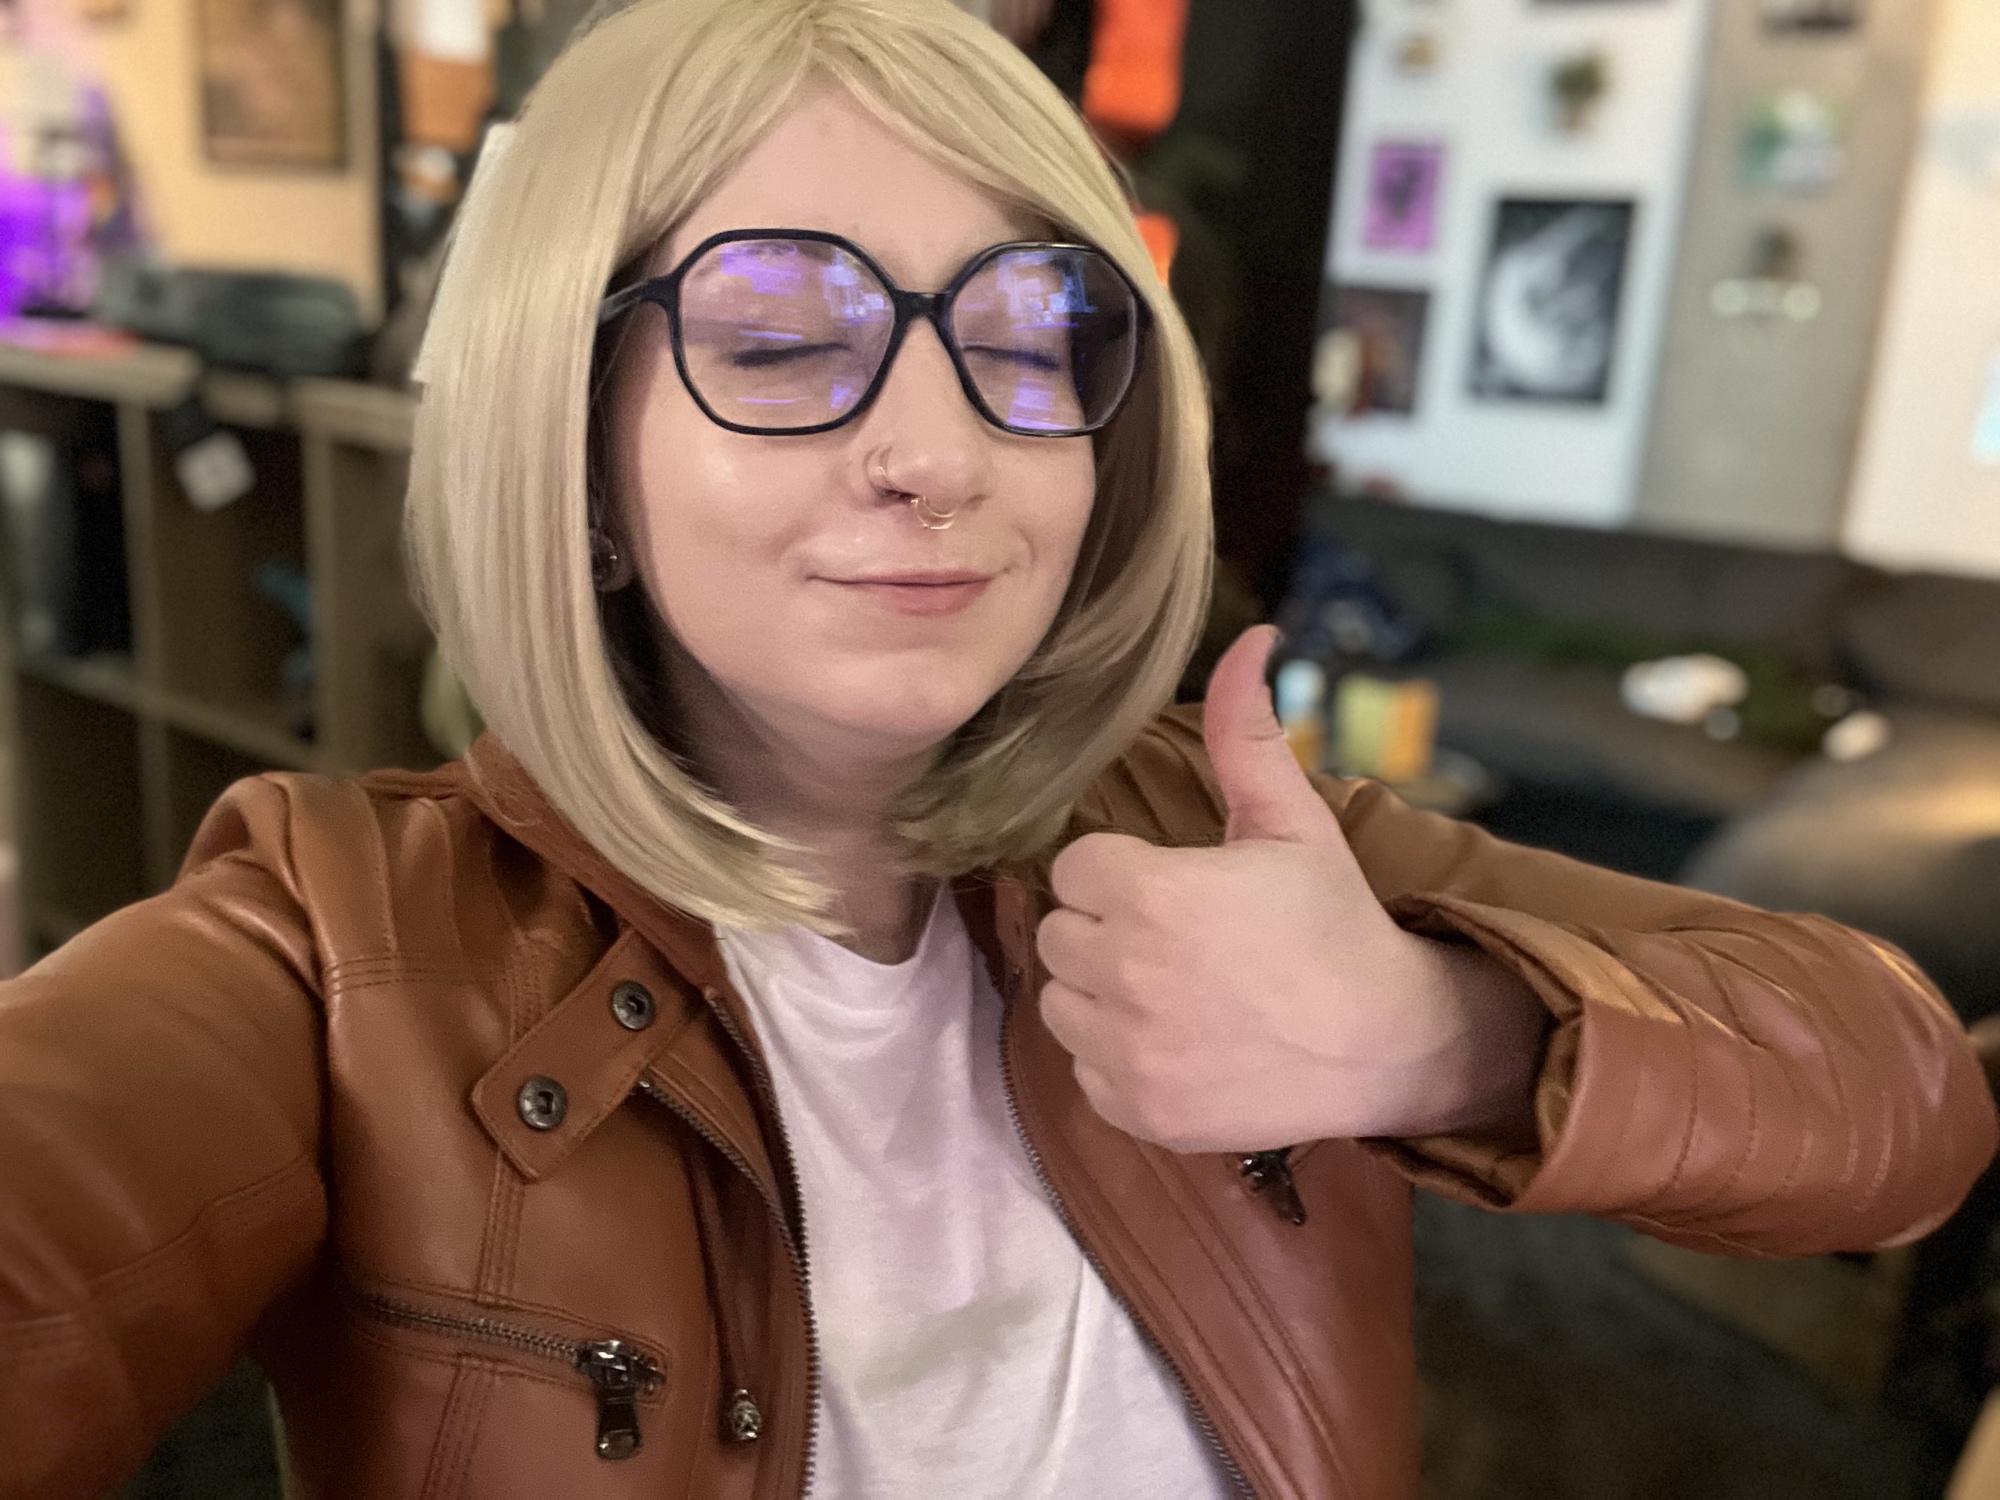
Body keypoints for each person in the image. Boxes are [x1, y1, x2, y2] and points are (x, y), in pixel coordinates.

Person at [0, 1, 1993, 1496]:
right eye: (781, 338)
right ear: (574, 454)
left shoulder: (1233, 848)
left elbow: (1905, 1110)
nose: (940, 450)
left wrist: (1430, 1036)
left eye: (1030, 334)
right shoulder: (336, 946)